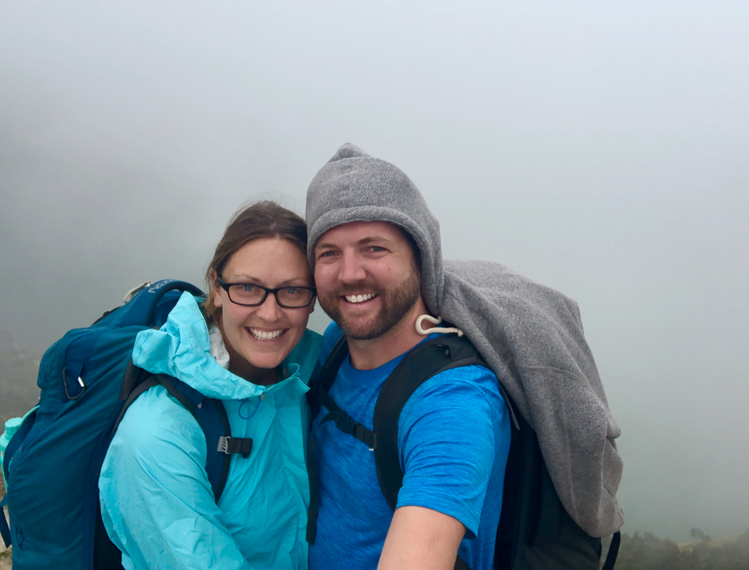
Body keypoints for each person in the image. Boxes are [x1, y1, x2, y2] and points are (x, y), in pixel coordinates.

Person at [304, 145, 512, 570]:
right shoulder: (335, 343)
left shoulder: (453, 405)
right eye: (329, 253)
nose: (349, 274)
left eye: (374, 248)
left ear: (420, 258)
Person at [99, 201, 322, 570]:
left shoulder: (307, 374)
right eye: (248, 287)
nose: (270, 313)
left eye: (293, 290)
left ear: (312, 298)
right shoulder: (157, 434)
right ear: (216, 288)